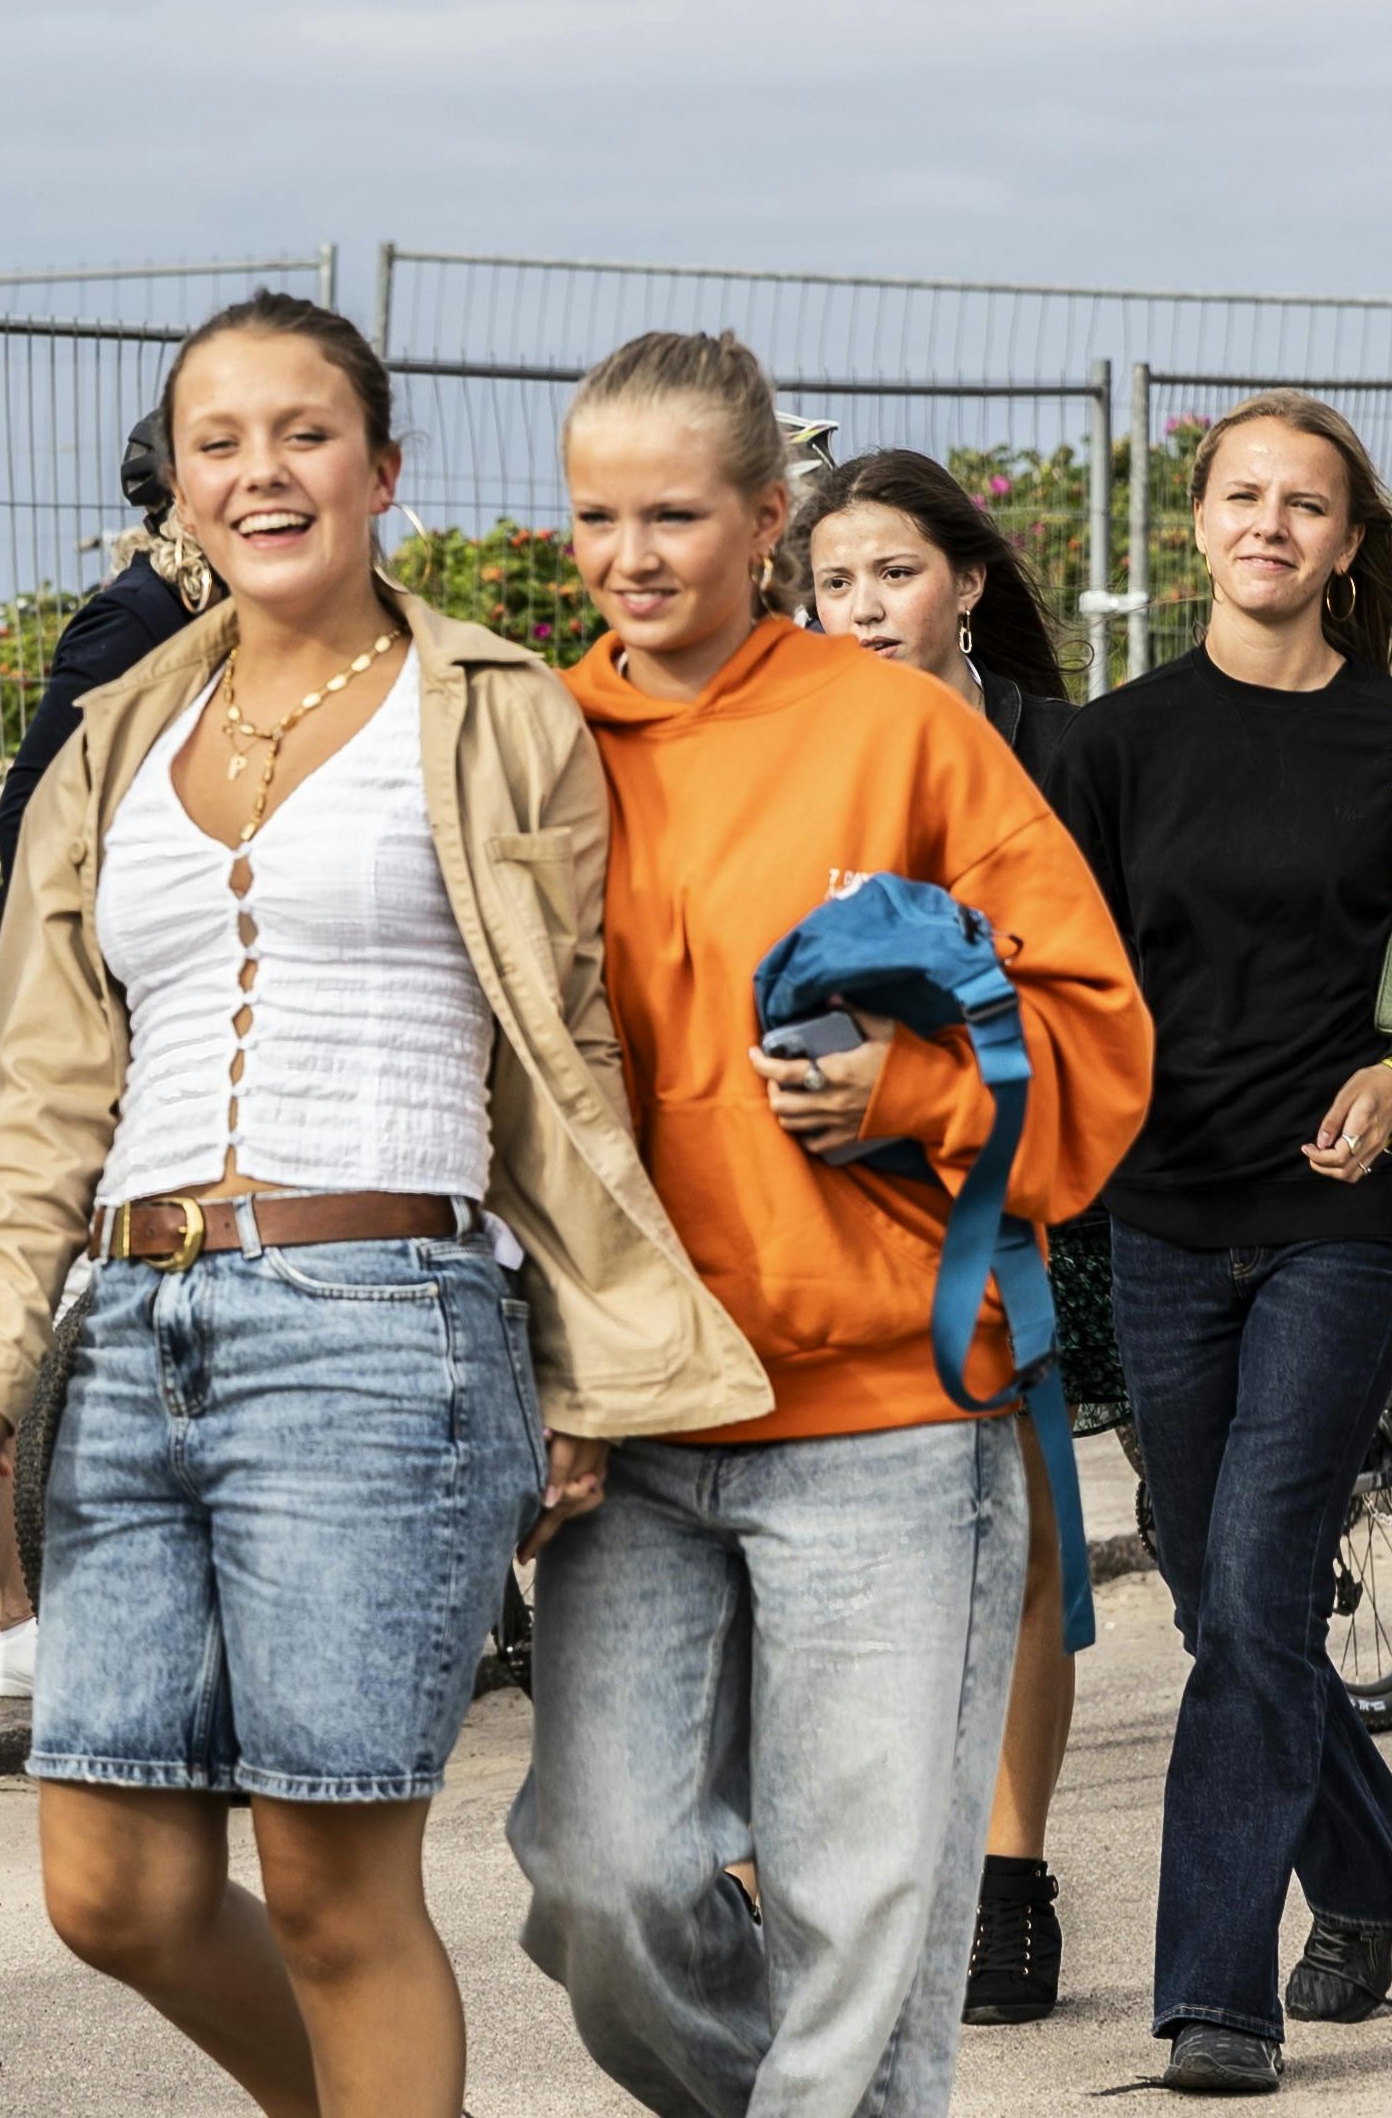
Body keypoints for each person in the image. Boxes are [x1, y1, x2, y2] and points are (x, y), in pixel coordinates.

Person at [0, 290, 768, 2118]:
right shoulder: (110, 738)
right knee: (112, 1887)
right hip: (134, 1337)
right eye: (218, 441)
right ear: (177, 488)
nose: (262, 471)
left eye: (303, 434)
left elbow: (573, 1056)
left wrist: (576, 1362)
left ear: (383, 469)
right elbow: (41, 1088)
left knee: (330, 1891)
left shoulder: (499, 709)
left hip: (386, 1323)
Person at [511, 334, 1149, 2117]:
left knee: (862, 1927)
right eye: (595, 518)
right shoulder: (540, 746)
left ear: (768, 520)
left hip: (889, 1415)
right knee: (600, 1886)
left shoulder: (907, 735)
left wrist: (919, 1094)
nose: (630, 556)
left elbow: (1098, 1046)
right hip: (637, 1421)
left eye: (675, 514)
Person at [1052, 390, 1392, 2093]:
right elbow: (1057, 975)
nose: (1271, 525)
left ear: (1348, 544)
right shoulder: (1108, 749)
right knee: (1221, 1602)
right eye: (1243, 496)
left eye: (1307, 504)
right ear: (1198, 521)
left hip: (1339, 1230)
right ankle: (1381, 1864)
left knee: (1256, 1586)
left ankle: (1215, 2001)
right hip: (1164, 1227)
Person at [801, 446, 1109, 2028]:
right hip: (838, 1182)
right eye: (835, 581)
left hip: (1051, 1173)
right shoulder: (796, 755)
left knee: (1042, 1536)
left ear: (969, 583)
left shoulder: (1061, 755)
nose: (862, 608)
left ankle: (1013, 1876)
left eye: (895, 574)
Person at [0, 402, 219, 1700]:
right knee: (49, 1295)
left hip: (157, 1003)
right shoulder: (140, 618)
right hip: (96, 1004)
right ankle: (15, 1615)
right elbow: (35, 811)